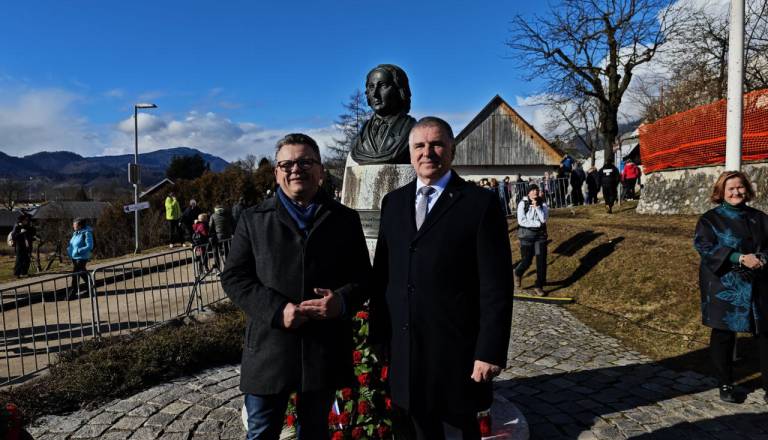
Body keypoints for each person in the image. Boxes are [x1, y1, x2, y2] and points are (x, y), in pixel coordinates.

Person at [371, 117, 513, 440]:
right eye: (419, 146)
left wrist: (489, 351)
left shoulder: (480, 203)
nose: (427, 152)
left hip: (455, 355)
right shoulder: (393, 203)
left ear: (452, 149)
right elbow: (383, 275)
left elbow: (496, 286)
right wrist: (379, 335)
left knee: (457, 433)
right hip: (405, 351)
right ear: (410, 153)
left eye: (436, 144)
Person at [221, 133, 370, 440]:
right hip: (269, 348)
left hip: (322, 348)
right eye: (286, 164)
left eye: (305, 162)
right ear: (277, 173)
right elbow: (234, 277)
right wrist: (277, 310)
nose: (295, 170)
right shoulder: (253, 219)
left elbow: (363, 278)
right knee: (262, 432)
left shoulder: (345, 220)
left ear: (320, 170)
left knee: (315, 432)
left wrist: (341, 301)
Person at [693, 171, 768, 403]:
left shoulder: (760, 217)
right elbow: (704, 246)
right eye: (731, 189)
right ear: (721, 192)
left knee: (765, 332)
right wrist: (739, 258)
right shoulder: (710, 219)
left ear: (747, 189)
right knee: (724, 333)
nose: (736, 192)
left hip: (758, 282)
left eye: (740, 187)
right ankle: (725, 383)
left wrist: (762, 258)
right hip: (723, 283)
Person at [351, 64, 417, 165]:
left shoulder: (412, 130)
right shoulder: (361, 135)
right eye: (371, 87)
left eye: (383, 86)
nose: (375, 94)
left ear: (399, 91)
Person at [513, 184, 549, 297]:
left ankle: (539, 285)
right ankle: (518, 273)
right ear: (528, 193)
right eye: (532, 190)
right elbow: (521, 221)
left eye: (536, 190)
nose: (535, 192)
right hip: (527, 237)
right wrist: (537, 224)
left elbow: (544, 219)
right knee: (527, 261)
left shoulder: (543, 204)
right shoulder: (522, 204)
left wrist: (537, 207)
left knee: (541, 261)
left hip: (539, 238)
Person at [67, 218, 94, 299]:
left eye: (74, 224)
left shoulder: (87, 233)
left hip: (82, 257)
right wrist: (69, 250)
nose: (73, 226)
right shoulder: (75, 233)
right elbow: (72, 244)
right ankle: (91, 289)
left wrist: (78, 251)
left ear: (80, 225)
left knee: (75, 275)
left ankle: (73, 293)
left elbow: (90, 246)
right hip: (74, 257)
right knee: (83, 273)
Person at [10, 214, 36, 279]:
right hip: (20, 246)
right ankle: (17, 274)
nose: (27, 221)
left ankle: (24, 273)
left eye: (27, 220)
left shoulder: (27, 226)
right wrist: (21, 233)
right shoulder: (17, 226)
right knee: (19, 260)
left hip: (27, 246)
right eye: (25, 220)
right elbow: (14, 237)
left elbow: (31, 234)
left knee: (27, 260)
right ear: (22, 220)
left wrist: (33, 236)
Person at [209, 205, 234, 270]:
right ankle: (228, 267)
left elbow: (211, 227)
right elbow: (233, 223)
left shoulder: (213, 216)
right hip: (228, 236)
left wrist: (210, 234)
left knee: (215, 251)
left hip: (218, 236)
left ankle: (218, 267)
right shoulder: (228, 214)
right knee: (227, 251)